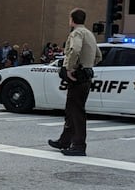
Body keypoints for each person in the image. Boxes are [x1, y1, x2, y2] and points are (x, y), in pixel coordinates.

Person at [49, 8, 102, 157]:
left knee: (76, 111)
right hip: (85, 75)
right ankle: (64, 140)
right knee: (72, 109)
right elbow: (98, 56)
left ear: (72, 19)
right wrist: (88, 66)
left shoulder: (76, 33)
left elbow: (75, 49)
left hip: (77, 75)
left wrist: (69, 68)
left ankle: (79, 145)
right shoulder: (89, 34)